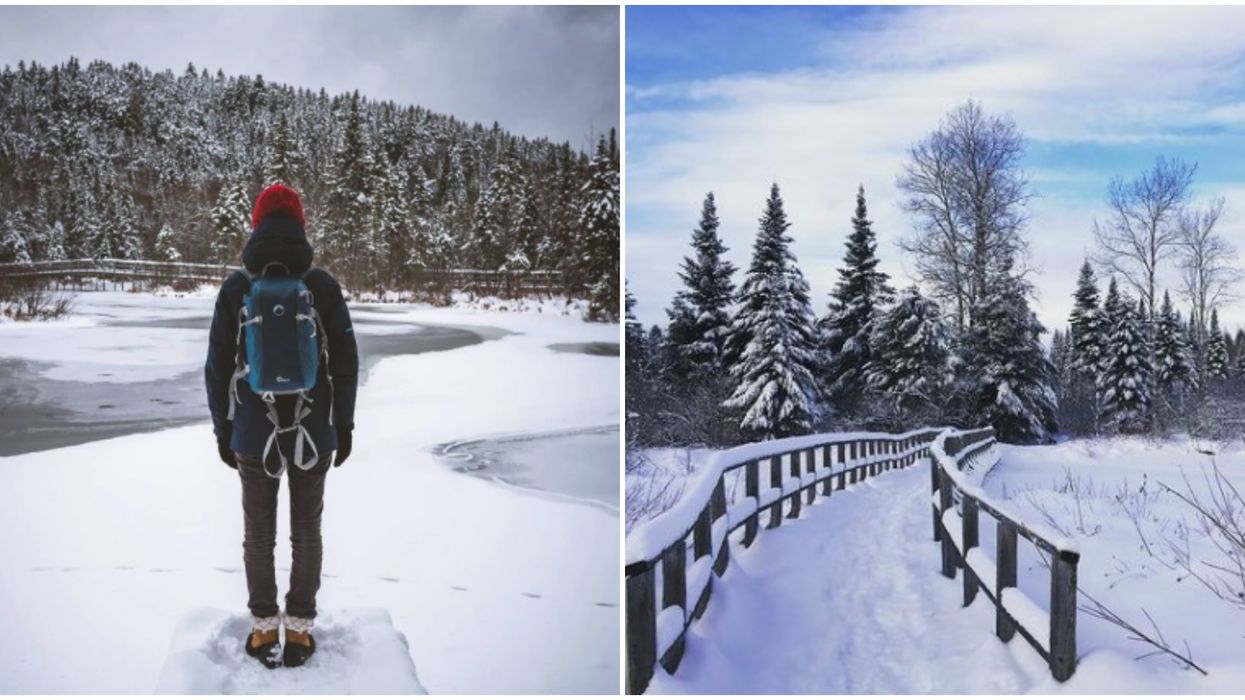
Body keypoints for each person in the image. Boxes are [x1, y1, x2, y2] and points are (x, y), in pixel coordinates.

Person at [205, 183, 358, 669]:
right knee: (307, 530)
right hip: (314, 431)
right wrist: (344, 425)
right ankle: (300, 633)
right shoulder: (323, 285)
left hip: (254, 429)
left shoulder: (237, 288)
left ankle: (263, 627)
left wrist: (222, 429)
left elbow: (216, 368)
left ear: (256, 224)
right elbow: (346, 363)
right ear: (301, 225)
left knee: (258, 533)